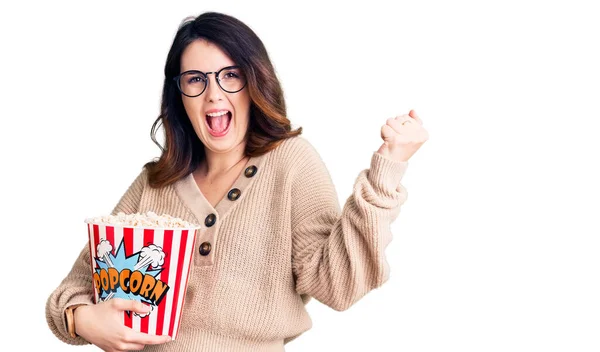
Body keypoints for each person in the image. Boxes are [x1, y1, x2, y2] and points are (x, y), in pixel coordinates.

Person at [45, 11, 429, 352]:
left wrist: (387, 169)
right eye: (195, 79)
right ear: (179, 95)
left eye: (231, 75)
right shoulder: (155, 182)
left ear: (255, 83)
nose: (214, 94)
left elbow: (339, 285)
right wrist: (83, 321)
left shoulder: (291, 164)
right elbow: (75, 287)